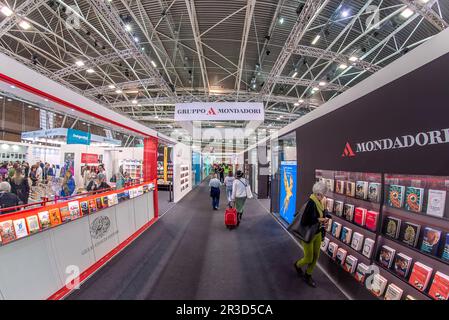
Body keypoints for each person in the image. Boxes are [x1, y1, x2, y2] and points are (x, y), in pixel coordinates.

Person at [293, 181, 331, 288]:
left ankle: (308, 274)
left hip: (317, 233)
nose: (321, 196)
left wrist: (326, 218)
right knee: (308, 258)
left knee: (316, 257)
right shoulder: (311, 202)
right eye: (319, 194)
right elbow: (305, 221)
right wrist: (319, 219)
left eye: (322, 194)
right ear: (316, 192)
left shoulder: (321, 202)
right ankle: (297, 265)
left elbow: (323, 213)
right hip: (309, 235)